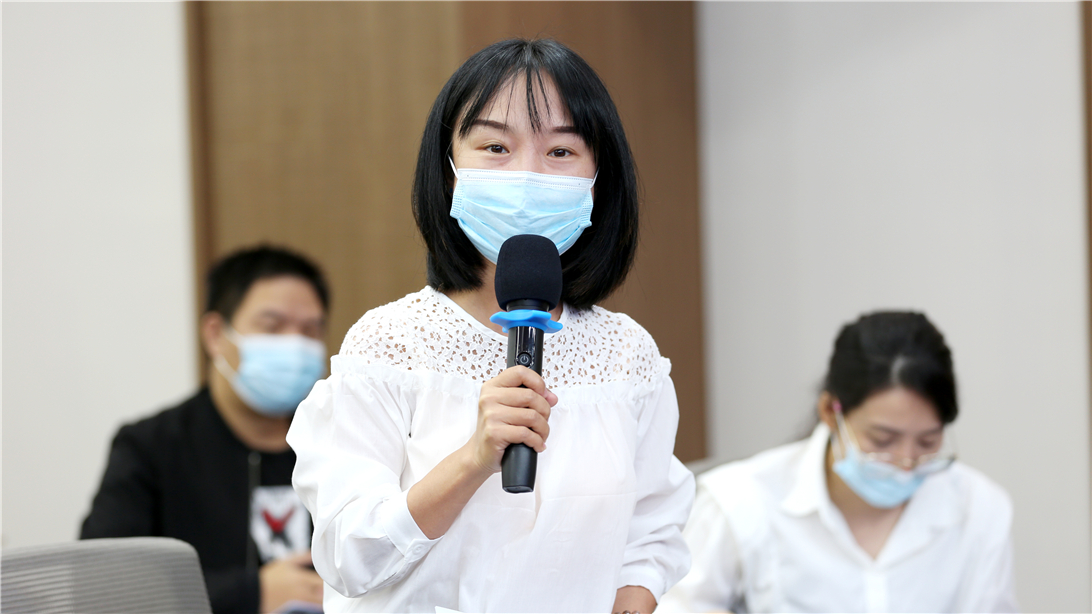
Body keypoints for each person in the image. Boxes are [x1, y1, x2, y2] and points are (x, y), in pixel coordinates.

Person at [287, 38, 694, 613]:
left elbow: (650, 532)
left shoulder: (626, 354)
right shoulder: (391, 344)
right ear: (449, 169)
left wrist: (634, 597)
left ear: (599, 178)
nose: (527, 175)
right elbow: (351, 556)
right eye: (496, 147)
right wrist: (474, 457)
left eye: (560, 152)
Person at [659, 311, 1018, 613]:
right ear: (831, 413)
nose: (906, 462)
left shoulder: (979, 509)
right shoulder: (740, 501)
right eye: (883, 440)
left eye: (928, 441)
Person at [81, 246, 330, 614]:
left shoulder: (339, 442)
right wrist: (250, 593)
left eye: (310, 330)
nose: (294, 345)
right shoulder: (150, 447)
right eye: (272, 327)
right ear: (215, 334)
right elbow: (100, 584)